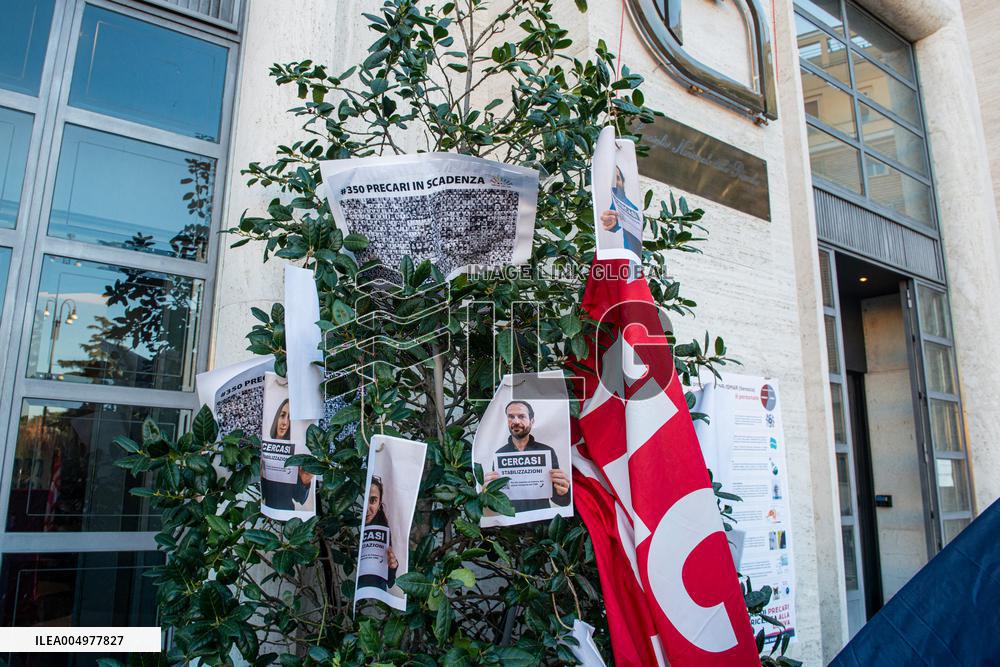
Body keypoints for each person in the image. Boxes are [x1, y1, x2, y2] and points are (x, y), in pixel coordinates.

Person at [484, 400, 570, 512]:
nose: (515, 421)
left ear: (532, 421)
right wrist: (489, 493)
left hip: (542, 524)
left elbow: (561, 501)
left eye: (521, 416)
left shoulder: (547, 451)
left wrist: (563, 492)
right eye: (511, 416)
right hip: (511, 525)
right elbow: (498, 504)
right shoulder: (500, 454)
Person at [261, 398, 314, 510]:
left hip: (288, 513)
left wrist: (305, 482)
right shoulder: (262, 444)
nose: (285, 422)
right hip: (265, 510)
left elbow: (299, 498)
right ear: (277, 417)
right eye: (283, 415)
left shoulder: (296, 454)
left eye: (290, 418)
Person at [357, 476, 398, 591]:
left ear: (379, 504)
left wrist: (392, 567)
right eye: (364, 500)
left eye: (373, 500)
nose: (367, 508)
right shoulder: (346, 526)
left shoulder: (387, 532)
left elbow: (390, 582)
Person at [600, 166, 642, 257]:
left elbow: (615, 219)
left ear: (623, 183)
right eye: (611, 179)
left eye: (617, 179)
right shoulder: (609, 199)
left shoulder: (631, 206)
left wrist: (613, 221)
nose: (615, 183)